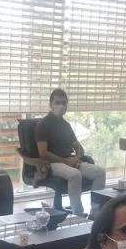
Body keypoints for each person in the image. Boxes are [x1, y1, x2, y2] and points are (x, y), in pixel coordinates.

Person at [35, 88, 106, 216]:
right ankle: (78, 213)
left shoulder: (66, 125)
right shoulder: (43, 125)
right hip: (52, 163)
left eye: (64, 103)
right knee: (75, 175)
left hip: (70, 161)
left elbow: (79, 147)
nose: (61, 106)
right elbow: (43, 153)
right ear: (51, 104)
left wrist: (77, 158)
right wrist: (66, 161)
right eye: (57, 102)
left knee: (100, 172)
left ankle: (95, 212)